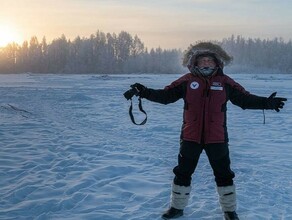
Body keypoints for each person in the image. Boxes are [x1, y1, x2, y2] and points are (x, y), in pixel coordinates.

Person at [127, 42, 287, 220]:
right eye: (202, 60)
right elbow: (166, 96)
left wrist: (266, 103)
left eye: (210, 61)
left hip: (217, 139)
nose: (206, 63)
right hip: (190, 137)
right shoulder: (186, 81)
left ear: (217, 63)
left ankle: (229, 210)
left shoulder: (225, 82)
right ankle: (177, 208)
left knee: (224, 174)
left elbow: (244, 99)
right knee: (182, 173)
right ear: (195, 63)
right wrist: (144, 92)